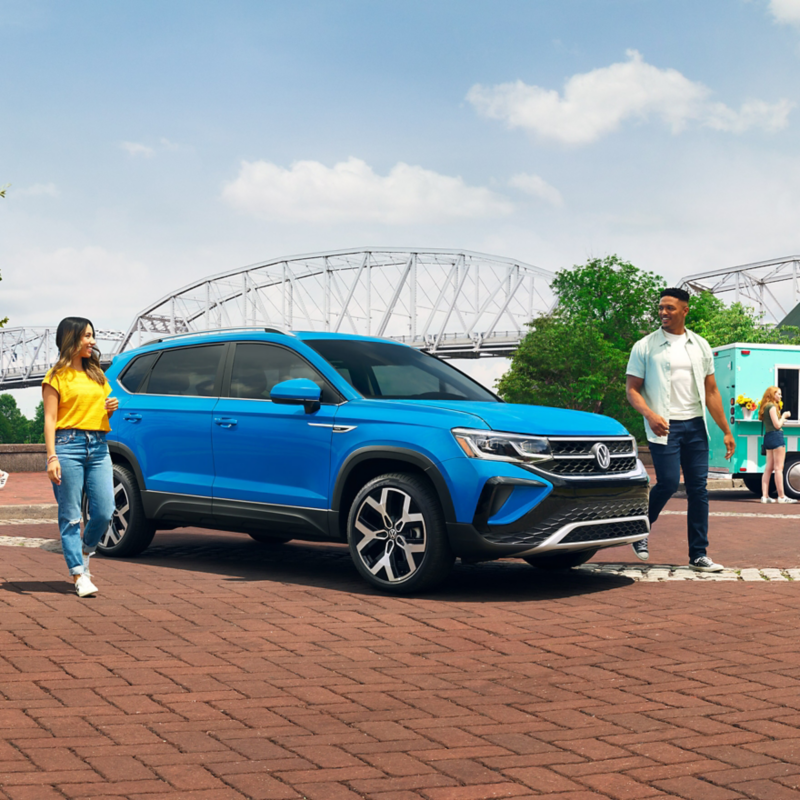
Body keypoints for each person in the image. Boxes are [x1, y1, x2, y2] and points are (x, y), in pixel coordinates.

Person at [625, 288, 735, 572]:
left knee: (699, 490)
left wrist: (725, 430)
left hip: (696, 426)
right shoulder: (645, 346)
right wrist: (650, 415)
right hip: (664, 426)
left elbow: (711, 392)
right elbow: (632, 391)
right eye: (661, 307)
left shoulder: (700, 345)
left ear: (685, 310)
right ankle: (640, 529)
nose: (663, 312)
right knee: (669, 482)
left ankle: (699, 554)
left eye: (670, 308)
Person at [42, 317, 118, 597]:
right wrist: (52, 457)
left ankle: (86, 549)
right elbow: (50, 420)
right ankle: (78, 574)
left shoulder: (97, 373)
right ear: (71, 338)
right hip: (67, 446)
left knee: (104, 511)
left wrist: (110, 407)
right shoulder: (56, 376)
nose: (93, 341)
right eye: (87, 336)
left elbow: (100, 410)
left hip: (98, 445)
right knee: (71, 515)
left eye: (92, 336)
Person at [758, 386, 796, 504]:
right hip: (776, 437)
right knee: (779, 468)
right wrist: (784, 416)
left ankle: (765, 496)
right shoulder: (772, 407)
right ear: (772, 394)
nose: (780, 396)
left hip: (768, 437)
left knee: (768, 468)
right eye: (778, 394)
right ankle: (781, 496)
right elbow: (777, 425)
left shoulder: (765, 407)